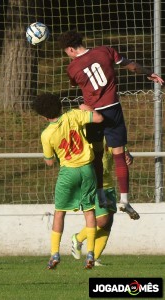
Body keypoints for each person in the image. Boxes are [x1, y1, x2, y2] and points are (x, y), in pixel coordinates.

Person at [58, 30, 164, 219]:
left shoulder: (73, 68)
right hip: (113, 109)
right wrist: (148, 73)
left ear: (71, 49)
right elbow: (130, 66)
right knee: (119, 154)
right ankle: (125, 200)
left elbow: (76, 84)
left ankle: (100, 196)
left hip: (93, 113)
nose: (68, 55)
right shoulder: (105, 51)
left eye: (67, 52)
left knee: (97, 155)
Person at [33, 93, 104, 270]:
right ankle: (90, 254)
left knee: (59, 212)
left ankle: (55, 253)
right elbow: (98, 117)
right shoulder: (73, 115)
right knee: (89, 211)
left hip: (68, 172)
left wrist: (51, 155)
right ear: (60, 106)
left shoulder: (47, 134)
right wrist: (86, 108)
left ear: (43, 116)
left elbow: (49, 162)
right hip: (87, 169)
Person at [71, 140, 134, 266]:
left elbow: (123, 152)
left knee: (108, 223)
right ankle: (78, 238)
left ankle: (94, 259)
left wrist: (128, 156)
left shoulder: (112, 136)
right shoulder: (87, 134)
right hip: (92, 184)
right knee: (102, 220)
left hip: (108, 185)